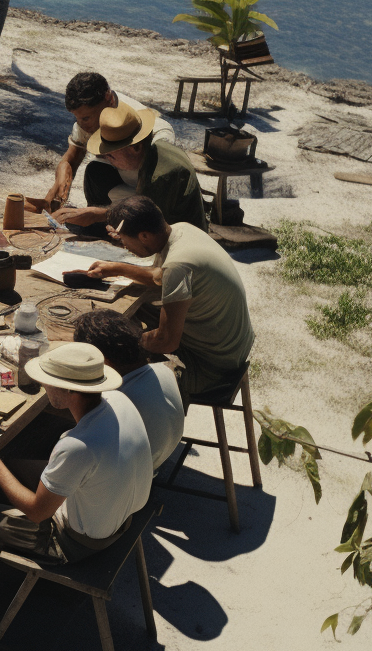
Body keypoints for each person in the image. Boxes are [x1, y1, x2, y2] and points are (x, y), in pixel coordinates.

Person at [0, 343, 152, 578]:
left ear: (70, 390)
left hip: (76, 544)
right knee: (15, 467)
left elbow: (36, 513)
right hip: (118, 518)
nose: (43, 386)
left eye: (48, 381)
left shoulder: (77, 447)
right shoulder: (118, 400)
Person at [76, 196, 254, 404]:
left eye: (124, 240)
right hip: (230, 349)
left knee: (113, 364)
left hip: (212, 370)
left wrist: (121, 344)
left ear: (143, 236)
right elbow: (159, 277)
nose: (124, 247)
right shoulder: (182, 230)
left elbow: (166, 341)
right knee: (135, 313)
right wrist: (117, 268)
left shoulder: (179, 266)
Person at [52, 103, 207, 231]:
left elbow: (148, 222)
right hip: (161, 224)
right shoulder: (152, 153)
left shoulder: (161, 175)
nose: (106, 158)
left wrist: (99, 215)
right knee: (97, 171)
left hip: (176, 240)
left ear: (136, 148)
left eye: (111, 154)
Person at [73, 310, 184, 470]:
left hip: (127, 476)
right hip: (156, 461)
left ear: (105, 361)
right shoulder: (164, 370)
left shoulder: (116, 402)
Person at [47, 72, 174, 210]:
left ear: (109, 99)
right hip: (123, 189)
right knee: (95, 171)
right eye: (78, 118)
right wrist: (51, 198)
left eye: (86, 118)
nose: (81, 125)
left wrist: (101, 214)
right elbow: (73, 157)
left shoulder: (158, 135)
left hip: (155, 200)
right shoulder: (90, 121)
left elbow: (163, 198)